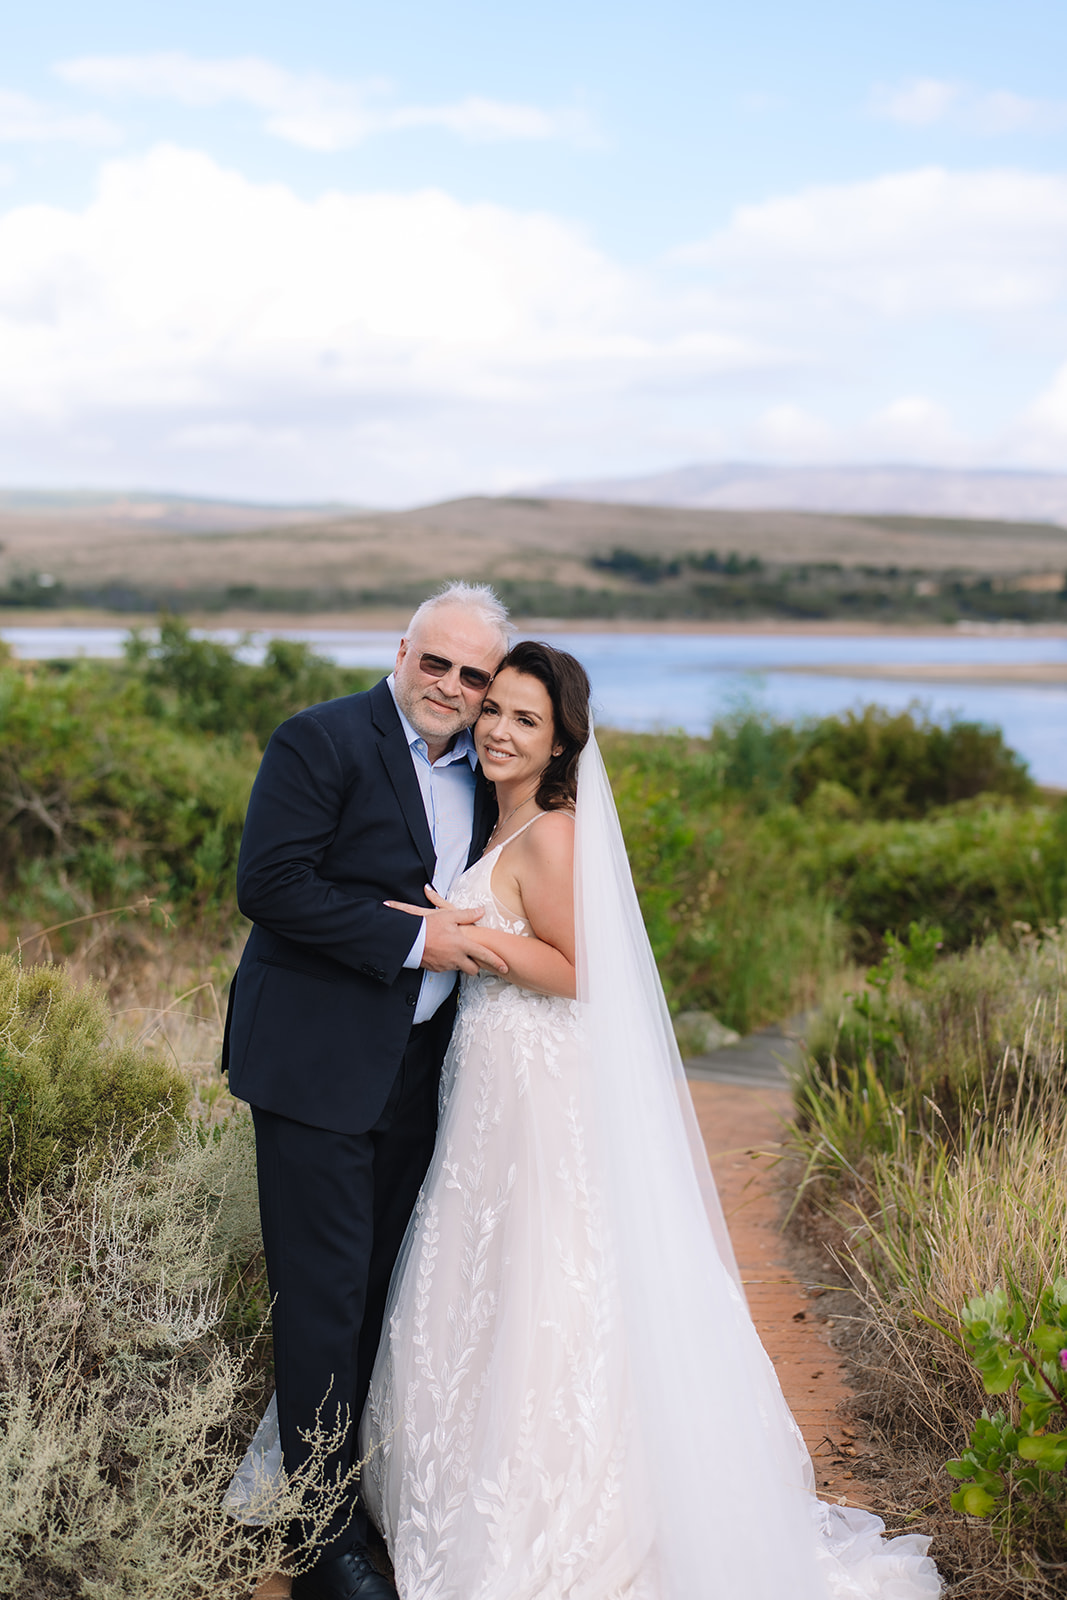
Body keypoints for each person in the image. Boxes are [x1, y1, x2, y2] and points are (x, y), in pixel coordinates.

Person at [354, 640, 943, 1599]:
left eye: (523, 720)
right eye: (492, 708)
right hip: (489, 1087)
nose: (498, 729)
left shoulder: (550, 832)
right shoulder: (492, 822)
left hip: (538, 1093)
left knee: (550, 1275)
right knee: (488, 1271)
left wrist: (468, 947)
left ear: (559, 744)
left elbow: (582, 970)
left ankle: (569, 1511)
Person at [222, 582, 510, 1600]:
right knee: (324, 1297)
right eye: (434, 661)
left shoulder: (492, 770)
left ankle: (359, 1498)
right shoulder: (321, 740)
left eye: (473, 675)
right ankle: (318, 1545)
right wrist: (414, 937)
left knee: (386, 1290)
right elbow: (272, 883)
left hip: (422, 1070)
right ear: (401, 649)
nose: (449, 685)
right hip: (313, 1064)